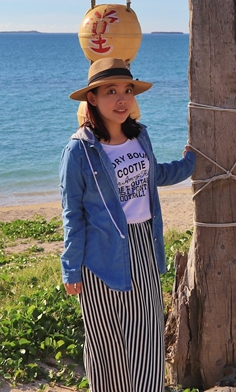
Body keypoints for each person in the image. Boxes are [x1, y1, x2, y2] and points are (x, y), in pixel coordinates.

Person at [59, 57, 196, 392]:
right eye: (110, 92)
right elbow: (72, 213)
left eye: (127, 91)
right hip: (98, 254)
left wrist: (190, 162)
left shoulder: (140, 136)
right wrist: (71, 268)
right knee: (105, 343)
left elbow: (154, 176)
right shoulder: (79, 150)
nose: (121, 99)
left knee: (146, 337)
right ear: (92, 98)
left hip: (143, 245)